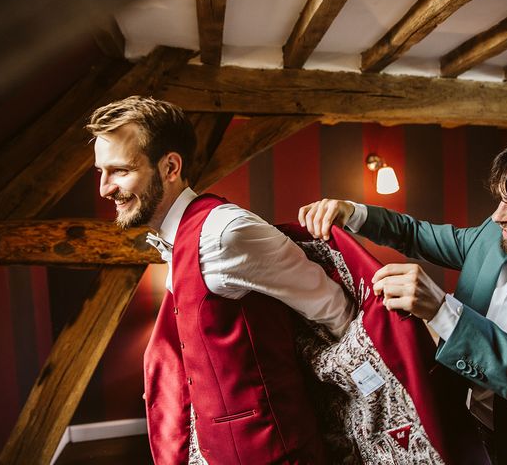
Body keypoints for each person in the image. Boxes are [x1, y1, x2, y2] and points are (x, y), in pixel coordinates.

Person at [299, 128, 507, 465]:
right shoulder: (493, 236)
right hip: (461, 436)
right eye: (502, 199)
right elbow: (415, 234)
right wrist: (352, 212)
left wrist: (444, 311)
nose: (497, 216)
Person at [88, 96, 354, 464]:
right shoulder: (175, 237)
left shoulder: (225, 232)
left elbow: (336, 310)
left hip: (275, 452)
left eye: (119, 170)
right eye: (100, 172)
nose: (104, 188)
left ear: (170, 167)